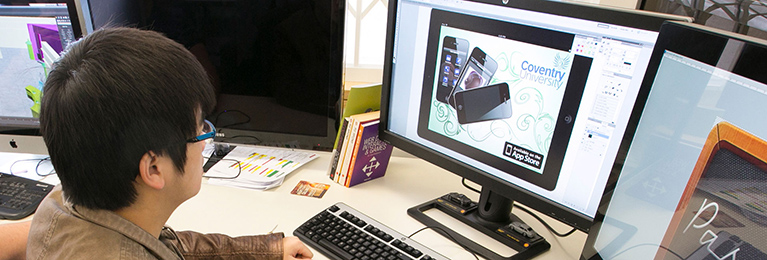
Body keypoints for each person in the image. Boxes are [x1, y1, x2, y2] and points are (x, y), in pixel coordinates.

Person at [27, 27, 313, 259]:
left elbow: (166, 246)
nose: (204, 145)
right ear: (153, 168)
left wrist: (268, 250)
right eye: (200, 132)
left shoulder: (62, 203)